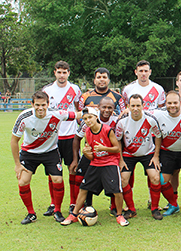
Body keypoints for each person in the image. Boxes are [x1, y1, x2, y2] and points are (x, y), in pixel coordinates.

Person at [11, 91, 80, 224]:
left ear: (48, 104)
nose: (40, 108)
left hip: (50, 152)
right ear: (32, 104)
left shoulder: (57, 114)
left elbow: (78, 114)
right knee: (23, 181)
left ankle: (57, 211)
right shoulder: (24, 117)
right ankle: (31, 213)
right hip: (29, 153)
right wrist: (17, 165)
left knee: (58, 179)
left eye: (43, 105)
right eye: (37, 105)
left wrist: (96, 111)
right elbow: (14, 141)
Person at [61, 107, 129, 226]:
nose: (88, 120)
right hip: (96, 163)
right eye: (85, 119)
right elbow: (92, 156)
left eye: (90, 117)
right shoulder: (87, 132)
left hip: (110, 163)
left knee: (117, 191)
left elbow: (117, 149)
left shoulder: (107, 130)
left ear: (96, 117)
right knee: (83, 188)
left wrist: (104, 148)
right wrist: (87, 153)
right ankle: (74, 214)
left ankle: (119, 215)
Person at [42, 60, 82, 216]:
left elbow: (78, 109)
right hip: (53, 137)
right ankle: (53, 203)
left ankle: (73, 203)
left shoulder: (75, 89)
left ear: (69, 73)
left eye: (65, 72)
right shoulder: (47, 90)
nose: (62, 75)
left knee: (73, 169)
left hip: (71, 136)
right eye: (59, 72)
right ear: (55, 73)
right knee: (53, 172)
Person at [115, 94, 163, 220]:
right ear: (128, 106)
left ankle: (155, 208)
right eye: (133, 106)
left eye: (138, 105)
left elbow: (158, 136)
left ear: (143, 106)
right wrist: (120, 159)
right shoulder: (122, 122)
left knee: (155, 178)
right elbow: (118, 141)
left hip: (148, 154)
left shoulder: (150, 120)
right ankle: (131, 209)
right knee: (123, 180)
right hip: (128, 155)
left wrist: (156, 156)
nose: (135, 108)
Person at [150, 91, 181, 217]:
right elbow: (141, 112)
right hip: (167, 152)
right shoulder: (158, 114)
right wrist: (126, 111)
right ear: (165, 104)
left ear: (180, 103)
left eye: (175, 102)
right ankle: (173, 204)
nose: (172, 105)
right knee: (163, 181)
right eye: (169, 103)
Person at [70, 97, 118, 211]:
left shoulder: (116, 120)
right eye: (104, 107)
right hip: (92, 153)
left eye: (110, 108)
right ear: (98, 109)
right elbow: (77, 138)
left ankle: (114, 207)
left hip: (109, 155)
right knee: (80, 178)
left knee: (113, 181)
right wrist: (75, 159)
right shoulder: (88, 120)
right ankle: (83, 205)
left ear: (114, 109)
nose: (106, 110)